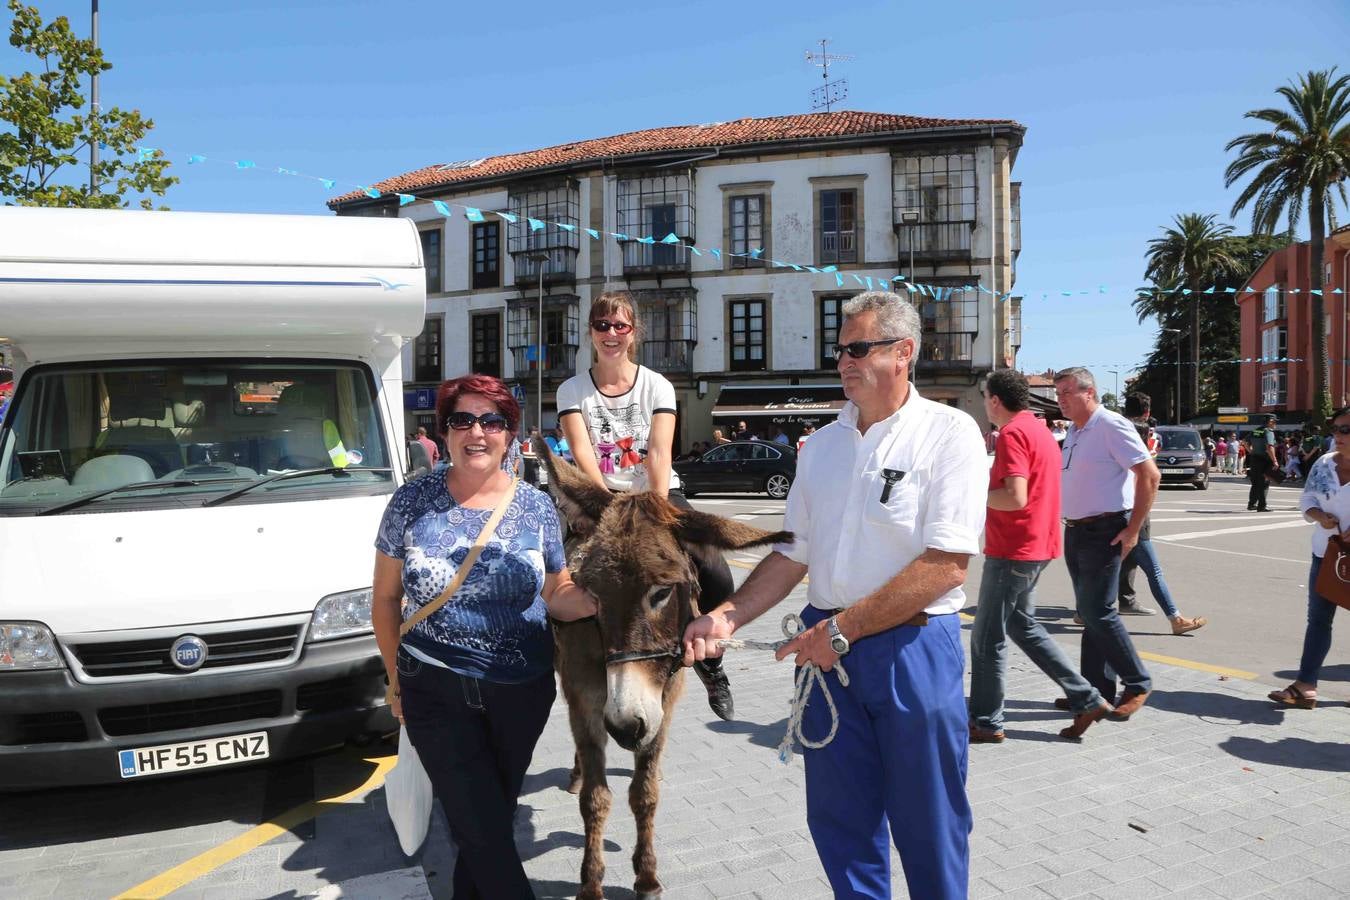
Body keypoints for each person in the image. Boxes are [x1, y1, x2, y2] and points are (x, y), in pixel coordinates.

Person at [684, 290, 984, 899]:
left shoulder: (949, 435)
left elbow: (946, 566)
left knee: (930, 821)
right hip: (827, 646)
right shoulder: (819, 446)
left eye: (857, 348)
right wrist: (726, 616)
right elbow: (794, 552)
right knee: (841, 820)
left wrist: (840, 632)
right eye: (839, 349)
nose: (843, 360)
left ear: (903, 352)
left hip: (912, 649)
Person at [372, 374, 597, 900]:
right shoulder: (411, 501)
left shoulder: (536, 506)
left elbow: (555, 589)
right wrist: (393, 679)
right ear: (445, 431)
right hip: (434, 687)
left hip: (521, 691)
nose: (477, 431)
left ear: (510, 435)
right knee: (484, 832)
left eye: (492, 421)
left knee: (486, 823)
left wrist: (593, 601)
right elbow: (384, 601)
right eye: (462, 419)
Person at [557, 290, 737, 720]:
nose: (611, 334)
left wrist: (654, 520)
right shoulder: (572, 389)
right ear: (591, 333)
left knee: (716, 572)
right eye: (602, 325)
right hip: (600, 499)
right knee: (558, 570)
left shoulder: (657, 385)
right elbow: (583, 456)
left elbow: (659, 455)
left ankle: (711, 664)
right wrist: (606, 515)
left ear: (633, 333)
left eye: (620, 326)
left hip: (657, 496)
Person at [968, 369, 1112, 744]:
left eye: (985, 398)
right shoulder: (1040, 430)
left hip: (1013, 548)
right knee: (1021, 626)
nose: (985, 404)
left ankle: (985, 721)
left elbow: (1014, 497)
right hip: (1037, 544)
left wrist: (970, 494)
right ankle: (1086, 697)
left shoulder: (1014, 433)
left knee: (986, 638)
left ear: (995, 400)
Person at [1055, 367, 1156, 720]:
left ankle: (1138, 681)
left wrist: (1133, 530)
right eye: (1058, 393)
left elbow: (1149, 474)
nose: (1061, 399)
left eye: (1067, 391)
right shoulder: (1075, 430)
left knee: (1099, 611)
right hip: (1077, 530)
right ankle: (1093, 693)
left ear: (1090, 392)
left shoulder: (1110, 424)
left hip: (1104, 529)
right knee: (1089, 612)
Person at [1268, 406, 1350, 709]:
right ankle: (1305, 685)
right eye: (1336, 428)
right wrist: (1318, 515)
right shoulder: (1324, 464)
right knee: (1318, 620)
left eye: (1346, 430)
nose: (1337, 435)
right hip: (1326, 555)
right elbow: (1308, 499)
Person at [1113, 393, 1208, 633]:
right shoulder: (1146, 436)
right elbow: (1151, 477)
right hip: (1135, 510)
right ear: (1146, 412)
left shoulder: (1114, 433)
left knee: (1111, 564)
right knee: (1151, 569)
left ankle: (1096, 607)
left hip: (1115, 507)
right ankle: (1175, 619)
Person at [1246, 415, 1279, 511]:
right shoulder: (1268, 431)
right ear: (1270, 422)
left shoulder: (1255, 430)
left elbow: (1244, 441)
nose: (1275, 424)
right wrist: (1275, 460)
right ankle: (1262, 506)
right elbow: (1269, 447)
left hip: (1254, 459)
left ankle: (1251, 504)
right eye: (1275, 422)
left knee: (1255, 483)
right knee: (1264, 484)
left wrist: (1251, 452)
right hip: (1265, 460)